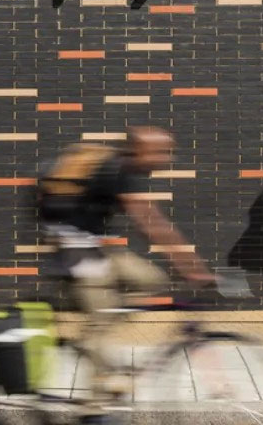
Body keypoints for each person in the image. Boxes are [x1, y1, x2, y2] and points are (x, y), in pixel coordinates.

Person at [39, 126, 214, 409]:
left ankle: (104, 319)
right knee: (100, 327)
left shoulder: (120, 169)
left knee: (151, 279)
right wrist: (192, 267)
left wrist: (187, 265)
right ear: (140, 150)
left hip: (96, 248)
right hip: (75, 254)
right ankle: (97, 404)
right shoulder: (115, 171)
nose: (167, 158)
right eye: (161, 152)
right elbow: (150, 222)